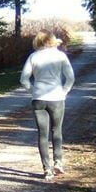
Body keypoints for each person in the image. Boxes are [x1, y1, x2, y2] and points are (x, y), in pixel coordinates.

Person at [20, 30, 75, 180]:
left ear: (38, 41)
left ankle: (47, 169)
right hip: (57, 97)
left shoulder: (33, 57)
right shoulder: (60, 56)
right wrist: (64, 91)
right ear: (52, 40)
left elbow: (24, 79)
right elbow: (70, 77)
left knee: (42, 135)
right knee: (57, 131)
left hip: (38, 98)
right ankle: (58, 162)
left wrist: (33, 90)